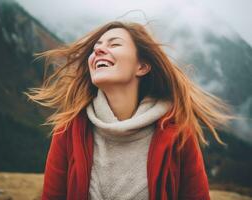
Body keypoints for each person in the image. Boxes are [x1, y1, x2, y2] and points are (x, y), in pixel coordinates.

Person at [26, 21, 233, 200]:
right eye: (95, 47)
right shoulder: (68, 131)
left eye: (114, 44)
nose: (98, 50)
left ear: (142, 67)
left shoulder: (177, 133)